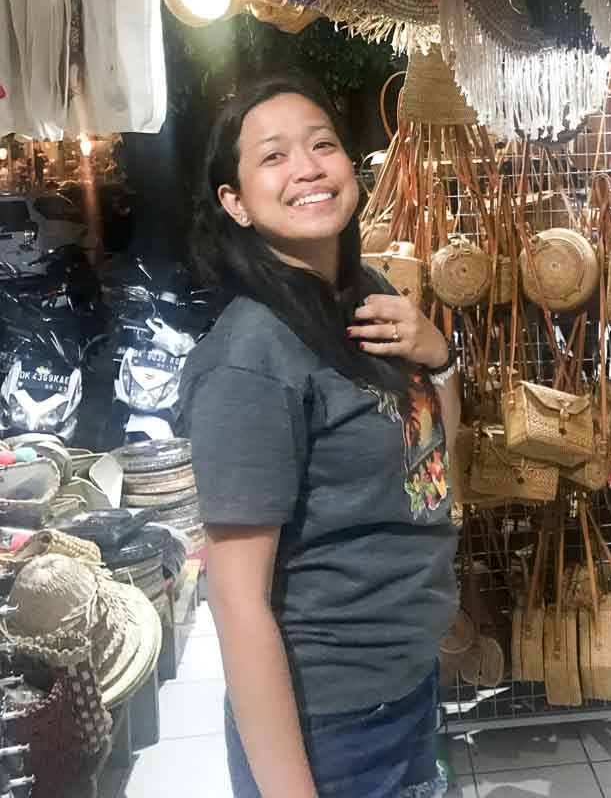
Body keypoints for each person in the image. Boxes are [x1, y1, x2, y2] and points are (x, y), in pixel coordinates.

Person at [182, 74, 460, 798]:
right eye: (273, 157)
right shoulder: (251, 359)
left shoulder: (367, 295)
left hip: (406, 685)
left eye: (323, 145)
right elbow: (235, 599)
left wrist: (440, 357)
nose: (307, 167)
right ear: (234, 203)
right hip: (327, 722)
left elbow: (428, 466)